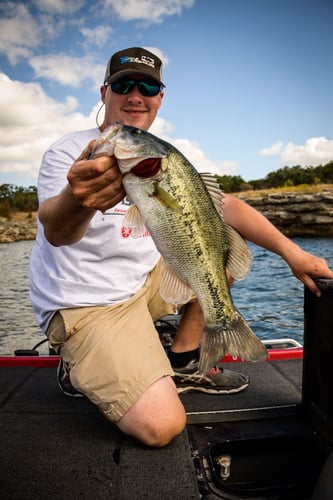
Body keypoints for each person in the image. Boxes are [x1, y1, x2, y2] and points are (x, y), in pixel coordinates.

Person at [29, 47, 333, 448]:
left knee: (214, 260)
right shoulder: (69, 154)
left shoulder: (164, 157)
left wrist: (292, 253)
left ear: (160, 98)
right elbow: (57, 230)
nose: (135, 95)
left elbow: (228, 208)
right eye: (123, 85)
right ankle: (79, 365)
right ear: (104, 93)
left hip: (143, 284)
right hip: (87, 303)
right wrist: (77, 196)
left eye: (148, 86)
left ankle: (184, 358)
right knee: (162, 426)